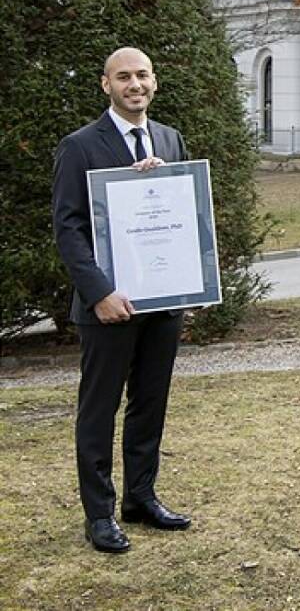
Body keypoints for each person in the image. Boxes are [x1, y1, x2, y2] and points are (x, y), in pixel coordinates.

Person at [53, 47, 193, 554]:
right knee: (99, 409)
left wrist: (189, 283)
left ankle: (140, 497)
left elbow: (183, 211)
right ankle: (99, 514)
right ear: (105, 85)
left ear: (154, 81)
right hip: (108, 306)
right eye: (124, 77)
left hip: (162, 303)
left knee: (149, 403)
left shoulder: (170, 139)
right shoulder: (80, 147)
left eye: (142, 75)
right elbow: (68, 230)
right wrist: (100, 293)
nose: (135, 84)